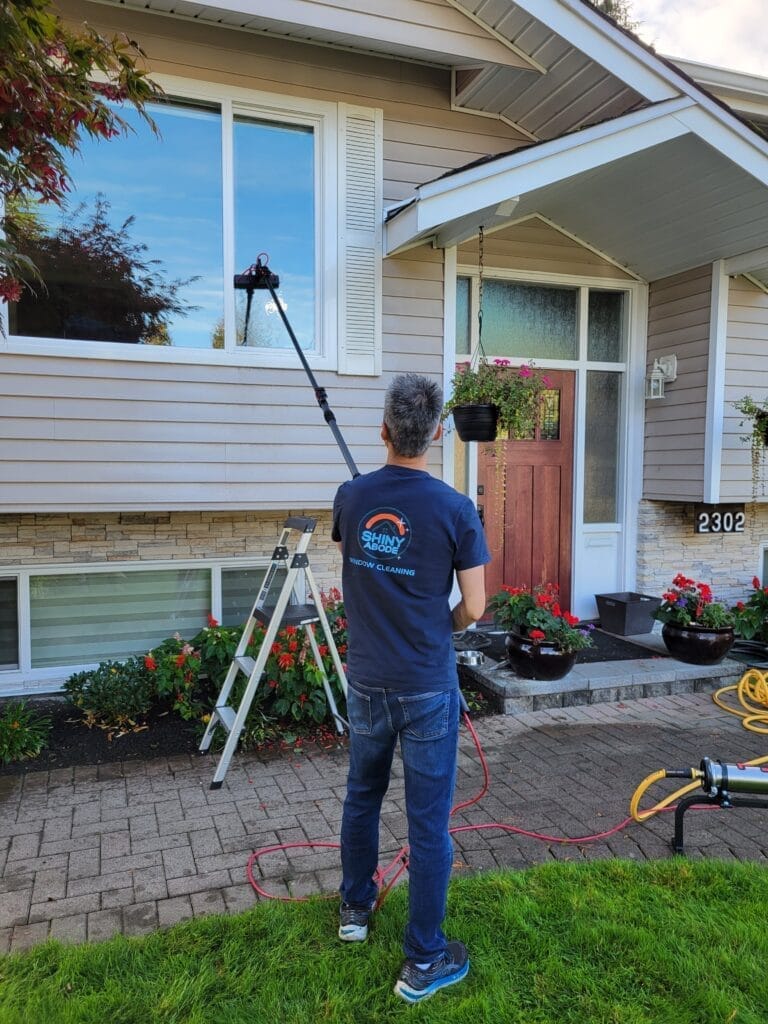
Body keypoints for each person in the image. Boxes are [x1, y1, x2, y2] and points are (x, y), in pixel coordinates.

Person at [331, 372, 490, 1004]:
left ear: (384, 431)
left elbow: (354, 548)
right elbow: (475, 607)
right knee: (428, 824)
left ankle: (354, 910)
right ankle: (424, 958)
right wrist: (442, 624)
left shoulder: (350, 495)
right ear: (439, 433)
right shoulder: (455, 509)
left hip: (368, 680)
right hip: (426, 685)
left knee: (361, 795)